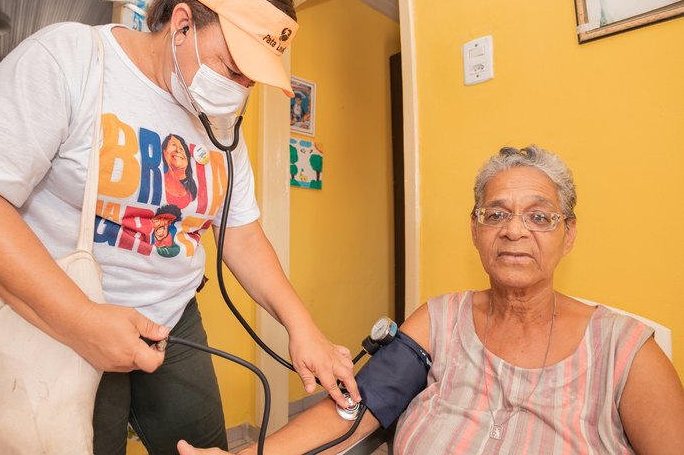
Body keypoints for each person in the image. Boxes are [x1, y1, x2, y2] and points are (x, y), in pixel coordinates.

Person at [0, 0, 359, 453]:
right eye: (233, 67)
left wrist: (302, 327)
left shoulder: (220, 126)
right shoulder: (68, 60)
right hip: (62, 316)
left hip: (174, 319)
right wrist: (82, 321)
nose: (240, 90)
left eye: (250, 79)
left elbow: (240, 233)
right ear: (182, 25)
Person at [178, 146, 684, 454]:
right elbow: (360, 406)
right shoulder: (439, 319)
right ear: (475, 229)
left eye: (539, 216)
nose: (514, 231)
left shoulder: (627, 351)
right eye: (496, 214)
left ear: (568, 234)